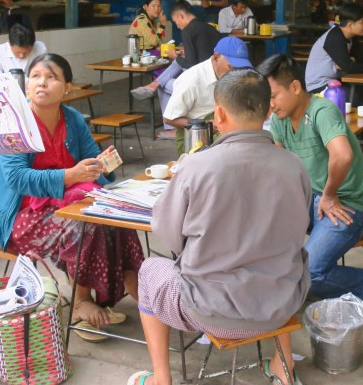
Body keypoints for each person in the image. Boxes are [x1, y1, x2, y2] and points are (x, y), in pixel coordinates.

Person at [131, 69, 309, 385]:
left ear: (219, 113)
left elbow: (169, 235)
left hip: (212, 313)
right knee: (287, 259)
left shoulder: (196, 167)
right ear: (268, 111)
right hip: (281, 305)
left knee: (148, 271)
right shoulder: (294, 166)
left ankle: (161, 378)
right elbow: (299, 230)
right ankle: (284, 368)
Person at [0, 54, 142, 341]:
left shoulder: (73, 119)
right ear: (27, 84)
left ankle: (132, 280)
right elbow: (17, 179)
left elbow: (92, 159)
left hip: (64, 202)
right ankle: (81, 301)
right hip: (16, 216)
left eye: (51, 77)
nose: (41, 83)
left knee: (115, 213)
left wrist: (100, 167)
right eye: (35, 76)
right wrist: (72, 176)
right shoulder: (13, 123)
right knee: (84, 223)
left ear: (67, 87)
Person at [258, 55, 363, 318]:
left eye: (274, 96)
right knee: (260, 241)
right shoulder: (279, 120)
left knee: (309, 273)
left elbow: (342, 155)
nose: (270, 105)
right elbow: (279, 165)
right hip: (311, 199)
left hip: (346, 203)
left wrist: (330, 195)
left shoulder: (322, 111)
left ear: (296, 87)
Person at [131, 1, 221, 138]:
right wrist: (182, 55)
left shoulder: (188, 31)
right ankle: (154, 85)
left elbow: (191, 66)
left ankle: (170, 127)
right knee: (177, 63)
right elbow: (202, 57)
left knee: (164, 84)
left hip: (202, 87)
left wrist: (174, 56)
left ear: (181, 16)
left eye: (175, 21)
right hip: (215, 80)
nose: (177, 26)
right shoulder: (208, 28)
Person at [163, 37, 250, 155]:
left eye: (240, 68)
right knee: (235, 148)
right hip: (194, 138)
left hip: (223, 129)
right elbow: (169, 118)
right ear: (216, 57)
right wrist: (207, 125)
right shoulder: (192, 79)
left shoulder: (234, 76)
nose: (235, 72)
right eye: (231, 67)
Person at [305, 3, 363, 108]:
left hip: (335, 82)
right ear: (350, 25)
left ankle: (359, 123)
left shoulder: (350, 37)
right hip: (320, 87)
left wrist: (351, 61)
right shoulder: (335, 37)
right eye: (362, 21)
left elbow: (361, 60)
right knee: (362, 99)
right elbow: (349, 67)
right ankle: (348, 123)